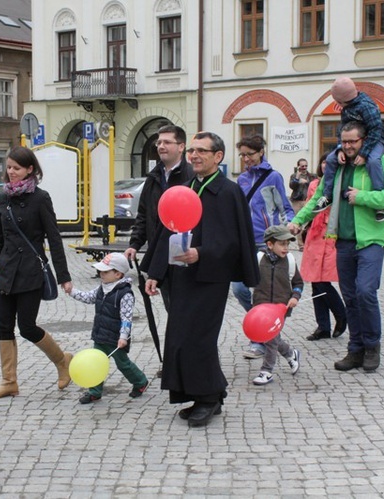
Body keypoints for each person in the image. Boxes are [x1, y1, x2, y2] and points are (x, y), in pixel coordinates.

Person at [145, 131, 259, 428]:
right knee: (181, 337)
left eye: (201, 151)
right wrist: (155, 273)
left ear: (218, 157)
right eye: (192, 150)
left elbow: (234, 241)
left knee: (200, 338)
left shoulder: (228, 191)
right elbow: (166, 230)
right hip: (181, 276)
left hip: (210, 277)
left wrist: (202, 253)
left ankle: (207, 398)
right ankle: (208, 393)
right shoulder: (185, 188)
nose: (194, 155)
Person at [289, 121, 384, 372]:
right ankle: (355, 350)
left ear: (364, 140)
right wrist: (298, 221)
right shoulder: (338, 168)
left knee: (365, 292)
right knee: (351, 297)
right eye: (344, 141)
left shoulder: (381, 163)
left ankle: (372, 346)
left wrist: (362, 197)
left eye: (353, 141)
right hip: (343, 240)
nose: (349, 146)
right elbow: (320, 197)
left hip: (372, 239)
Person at [0, 146, 73, 400]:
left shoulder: (40, 198)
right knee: (3, 326)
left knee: (27, 326)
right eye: (9, 167)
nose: (11, 172)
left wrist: (64, 276)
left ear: (30, 169)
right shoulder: (3, 197)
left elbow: (54, 239)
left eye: (17, 168)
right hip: (8, 271)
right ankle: (8, 381)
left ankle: (62, 360)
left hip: (31, 271)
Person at [232, 134, 294, 360]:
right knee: (238, 288)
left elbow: (284, 207)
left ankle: (259, 338)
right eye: (242, 155)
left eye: (249, 154)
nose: (246, 159)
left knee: (261, 292)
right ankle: (265, 326)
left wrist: (288, 229)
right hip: (244, 242)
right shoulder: (242, 180)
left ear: (261, 152)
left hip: (266, 241)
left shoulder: (273, 177)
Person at [124, 124, 193, 311]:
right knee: (170, 304)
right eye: (159, 142)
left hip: (184, 251)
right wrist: (134, 244)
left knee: (184, 306)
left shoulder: (191, 176)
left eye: (167, 142)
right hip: (158, 251)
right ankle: (177, 339)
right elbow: (144, 213)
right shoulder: (153, 177)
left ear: (181, 147)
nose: (161, 146)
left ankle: (184, 339)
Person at [65, 252, 150, 404]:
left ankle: (140, 381)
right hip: (100, 335)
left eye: (105, 272)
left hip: (115, 339)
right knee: (95, 364)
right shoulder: (101, 288)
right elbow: (87, 297)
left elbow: (126, 318)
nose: (101, 274)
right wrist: (72, 291)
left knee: (123, 364)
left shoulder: (125, 293)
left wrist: (123, 337)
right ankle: (94, 392)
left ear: (118, 274)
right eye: (100, 271)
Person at [313, 77, 384, 223]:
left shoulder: (366, 106)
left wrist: (364, 152)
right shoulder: (346, 108)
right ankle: (327, 195)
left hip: (375, 140)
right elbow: (342, 129)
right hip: (353, 141)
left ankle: (380, 201)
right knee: (330, 159)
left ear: (340, 100)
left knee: (373, 162)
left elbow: (376, 129)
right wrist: (340, 147)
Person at [300, 154, 347, 341]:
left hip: (331, 233)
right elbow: (310, 207)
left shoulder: (341, 183)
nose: (326, 165)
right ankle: (323, 326)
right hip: (314, 234)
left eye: (330, 162)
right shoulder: (314, 185)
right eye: (324, 162)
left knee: (323, 281)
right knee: (314, 281)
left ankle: (342, 315)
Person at [251, 225, 302, 386]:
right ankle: (291, 354)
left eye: (287, 244)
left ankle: (267, 371)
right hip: (261, 307)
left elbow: (298, 283)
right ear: (270, 245)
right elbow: (249, 278)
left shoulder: (290, 261)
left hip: (281, 308)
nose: (286, 248)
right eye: (282, 244)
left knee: (270, 338)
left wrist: (295, 296)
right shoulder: (258, 259)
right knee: (270, 337)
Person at [289, 157, 315, 250]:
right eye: (302, 166)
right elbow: (292, 186)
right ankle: (301, 245)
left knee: (309, 222)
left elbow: (314, 186)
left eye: (306, 166)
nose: (304, 168)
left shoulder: (311, 176)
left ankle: (308, 241)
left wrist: (306, 182)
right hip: (297, 201)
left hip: (308, 200)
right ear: (298, 166)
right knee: (298, 223)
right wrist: (297, 178)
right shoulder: (294, 176)